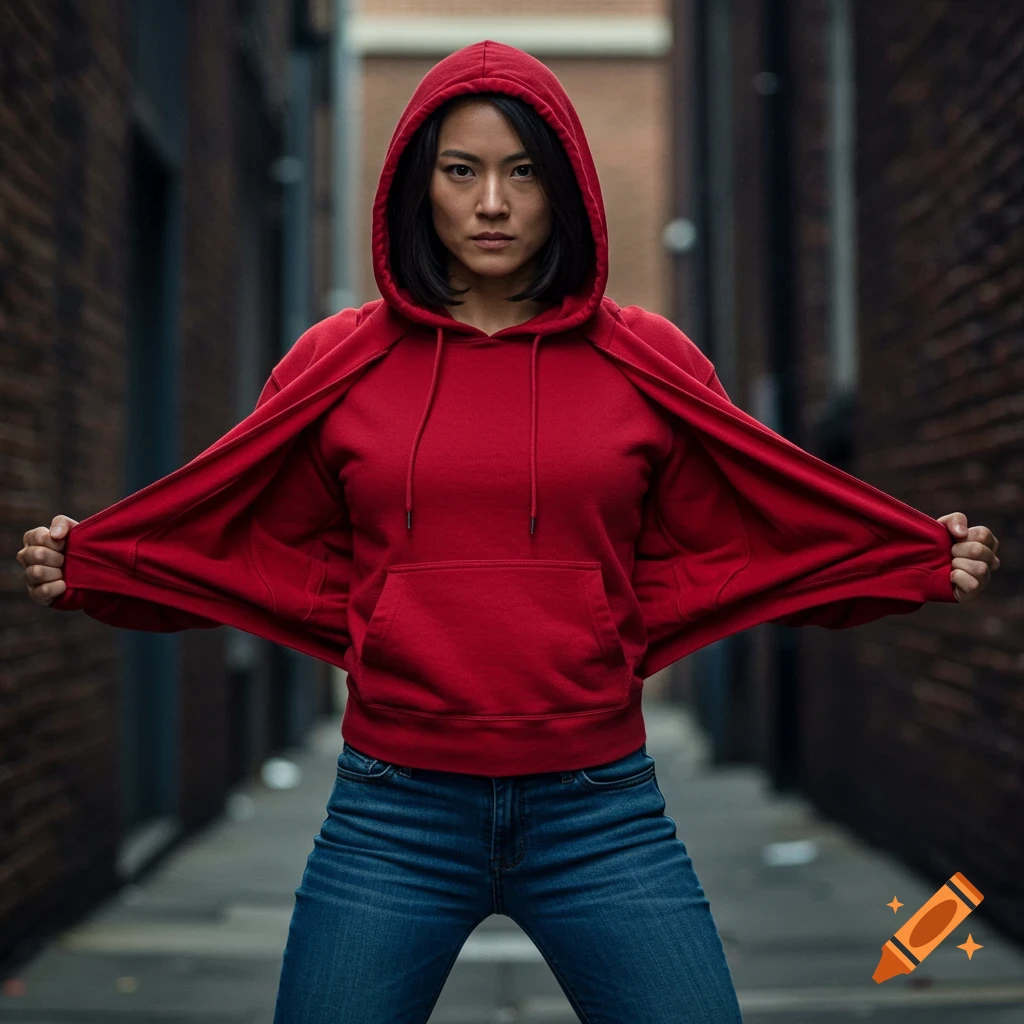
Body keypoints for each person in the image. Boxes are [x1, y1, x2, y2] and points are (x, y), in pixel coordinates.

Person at [17, 41, 1000, 1024]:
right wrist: (101, 567)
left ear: (565, 186)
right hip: (392, 815)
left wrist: (906, 561)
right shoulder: (336, 363)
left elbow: (751, 537)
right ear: (419, 183)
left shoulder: (648, 359)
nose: (492, 203)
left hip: (599, 813)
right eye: (461, 170)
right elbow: (244, 539)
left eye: (523, 171)